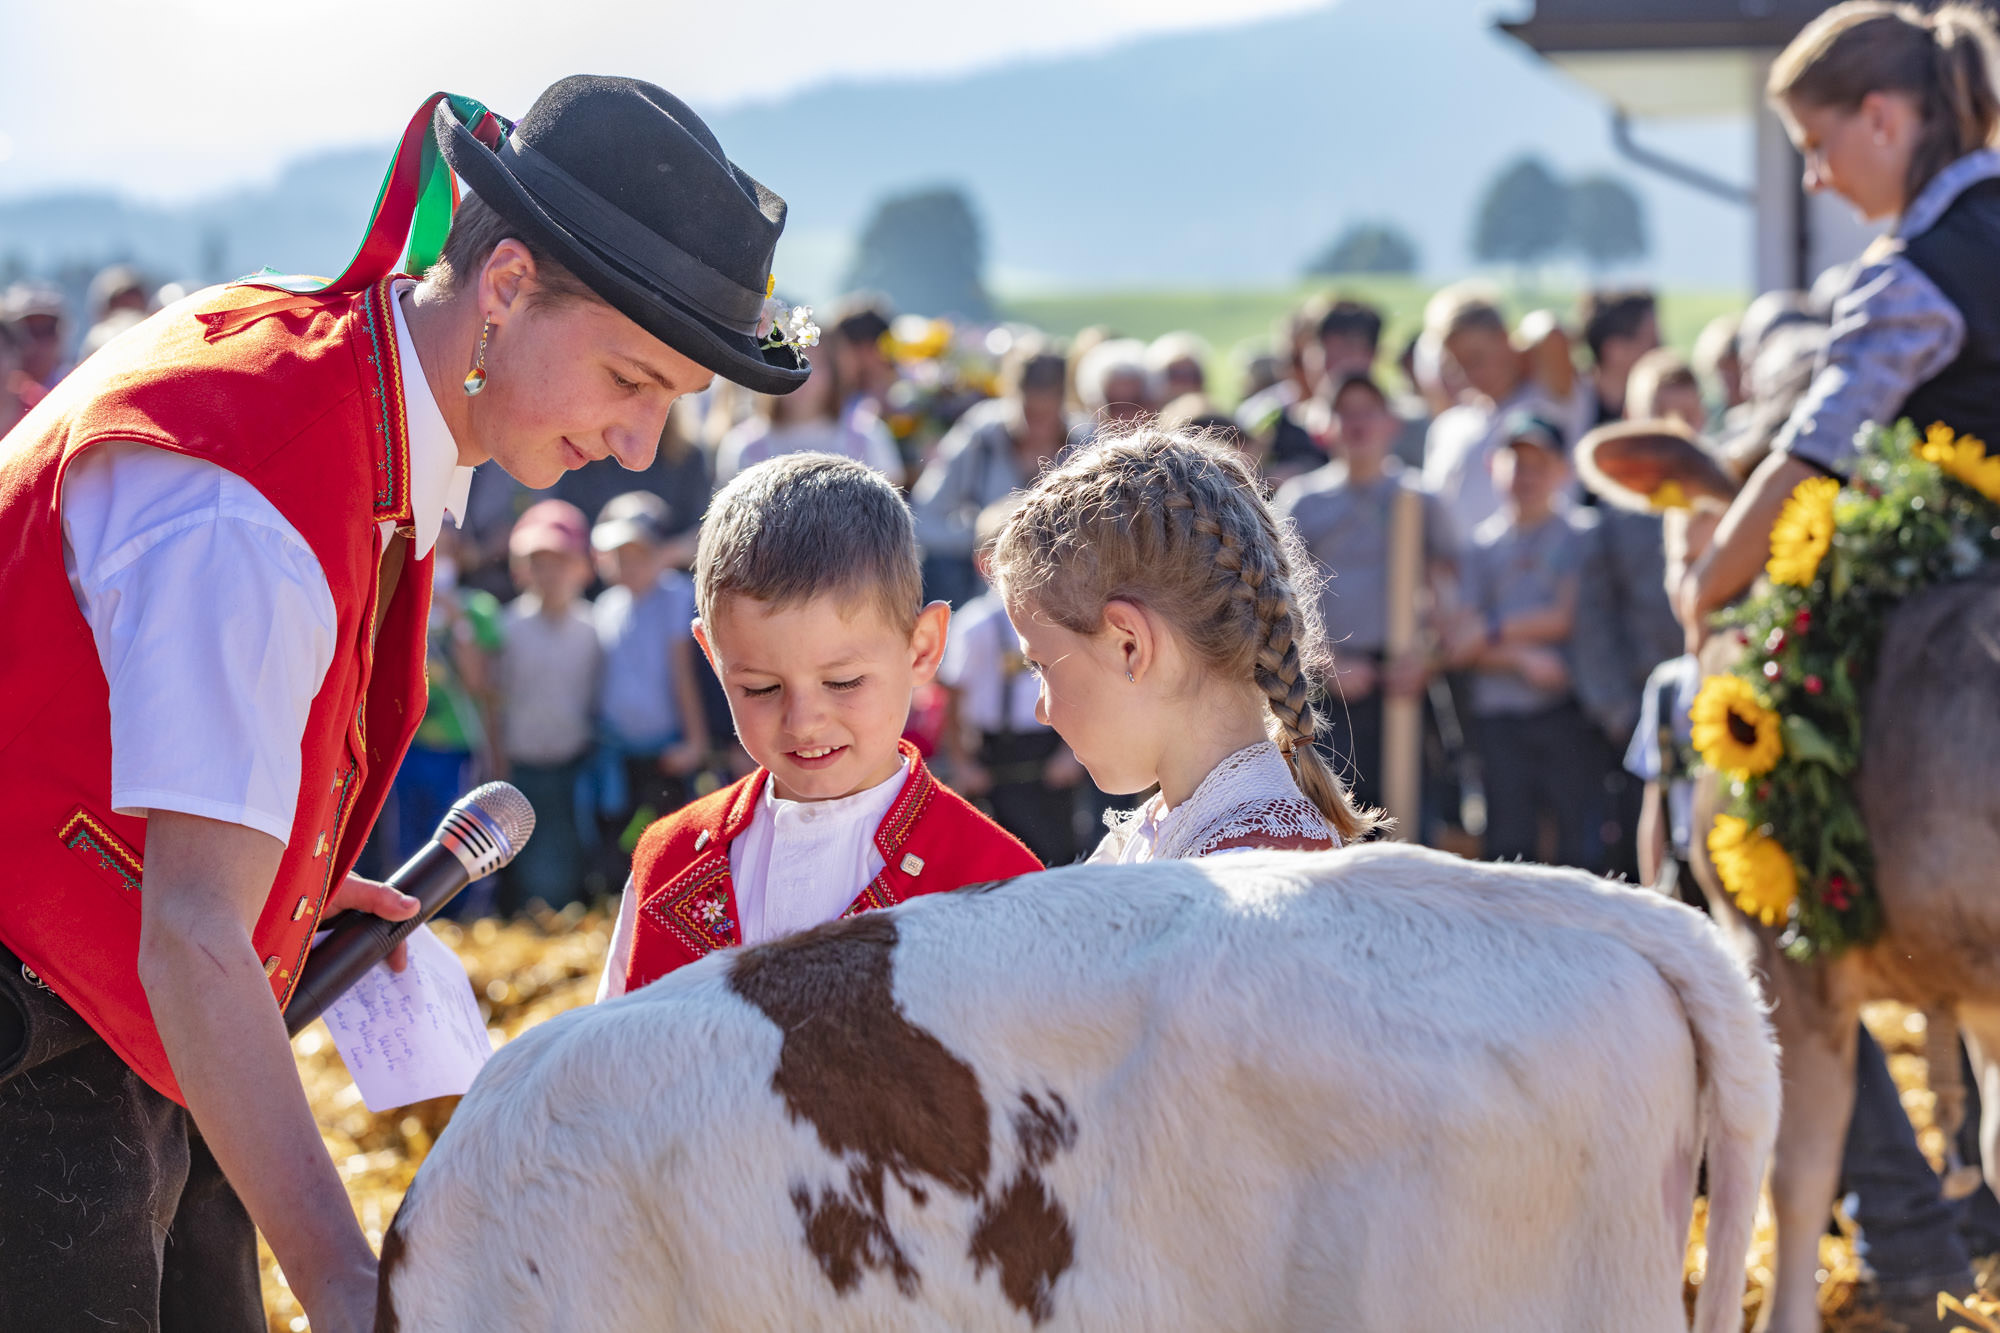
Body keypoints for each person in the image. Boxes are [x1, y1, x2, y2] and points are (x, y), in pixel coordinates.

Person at [0, 75, 810, 1332]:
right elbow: (193, 937)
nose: (640, 445)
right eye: (627, 378)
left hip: (111, 1026)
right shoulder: (257, 491)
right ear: (505, 287)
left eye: (669, 403)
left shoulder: (347, 390)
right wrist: (343, 1280)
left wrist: (286, 880)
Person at [597, 454, 1041, 997]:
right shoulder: (669, 863)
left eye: (844, 682)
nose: (803, 722)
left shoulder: (996, 883)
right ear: (714, 660)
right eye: (761, 688)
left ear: (922, 648)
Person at [1686, 0, 2000, 632]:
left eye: (1816, 145)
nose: (1814, 179)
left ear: (1880, 118)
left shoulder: (1911, 278)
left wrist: (1704, 587)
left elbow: (1815, 456)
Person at [991, 427, 1377, 863]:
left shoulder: (1241, 871)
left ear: (1130, 646)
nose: (1041, 711)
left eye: (1043, 666)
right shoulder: (1178, 829)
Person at [1275, 372, 1459, 818]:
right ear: (1322, 427)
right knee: (1334, 819)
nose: (1357, 424)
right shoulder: (1303, 501)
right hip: (1326, 690)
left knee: (1409, 815)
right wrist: (1327, 662)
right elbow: (1281, 601)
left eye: (1368, 412)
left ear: (1391, 424)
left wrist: (1427, 659)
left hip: (1402, 681)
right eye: (1345, 412)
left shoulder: (1418, 498)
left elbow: (1450, 593)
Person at [1446, 413, 1605, 870]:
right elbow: (1460, 645)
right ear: (1494, 467)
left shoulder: (1582, 535)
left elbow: (1565, 617)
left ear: (1562, 471)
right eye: (1516, 464)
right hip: (1499, 718)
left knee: (1577, 845)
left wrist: (1493, 630)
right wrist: (1521, 657)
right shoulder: (1481, 548)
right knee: (1508, 843)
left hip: (1566, 712)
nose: (1526, 477)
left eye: (1539, 465)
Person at [938, 497, 1086, 866]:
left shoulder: (1059, 617)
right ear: (985, 563)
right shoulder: (974, 625)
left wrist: (1070, 753)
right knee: (999, 861)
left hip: (1049, 752)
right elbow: (952, 700)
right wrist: (962, 763)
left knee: (1058, 858)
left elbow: (1078, 688)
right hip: (994, 759)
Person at [590, 491, 709, 886]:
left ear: (659, 551)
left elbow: (683, 672)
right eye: (618, 556)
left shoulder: (678, 596)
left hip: (666, 753)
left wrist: (694, 741)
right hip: (619, 753)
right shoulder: (606, 606)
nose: (627, 565)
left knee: (670, 841)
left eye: (637, 553)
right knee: (621, 843)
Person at [495, 500, 602, 913]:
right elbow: (495, 698)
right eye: (538, 563)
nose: (550, 574)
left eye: (561, 562)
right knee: (524, 860)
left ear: (582, 567)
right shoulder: (508, 628)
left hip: (573, 766)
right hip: (520, 764)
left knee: (568, 854)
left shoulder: (592, 629)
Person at [1420, 283, 1585, 546]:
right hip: (1467, 571)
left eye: (1477, 358)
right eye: (1457, 365)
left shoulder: (1549, 398)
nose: (1470, 374)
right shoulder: (1448, 426)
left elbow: (1549, 331)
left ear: (1505, 338)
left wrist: (1522, 351)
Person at [910, 347, 1075, 606]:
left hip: (1063, 594)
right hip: (981, 594)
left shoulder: (1084, 443)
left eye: (1047, 415)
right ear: (1011, 396)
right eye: (1030, 414)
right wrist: (987, 538)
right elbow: (924, 519)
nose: (1037, 428)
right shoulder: (980, 437)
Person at [715, 353, 902, 486]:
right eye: (788, 361)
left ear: (833, 370)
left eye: (814, 363)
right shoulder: (743, 444)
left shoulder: (867, 436)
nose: (801, 375)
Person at [1576, 288, 1661, 427]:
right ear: (1614, 350)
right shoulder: (1567, 406)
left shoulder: (1658, 406)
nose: (1662, 351)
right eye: (1653, 343)